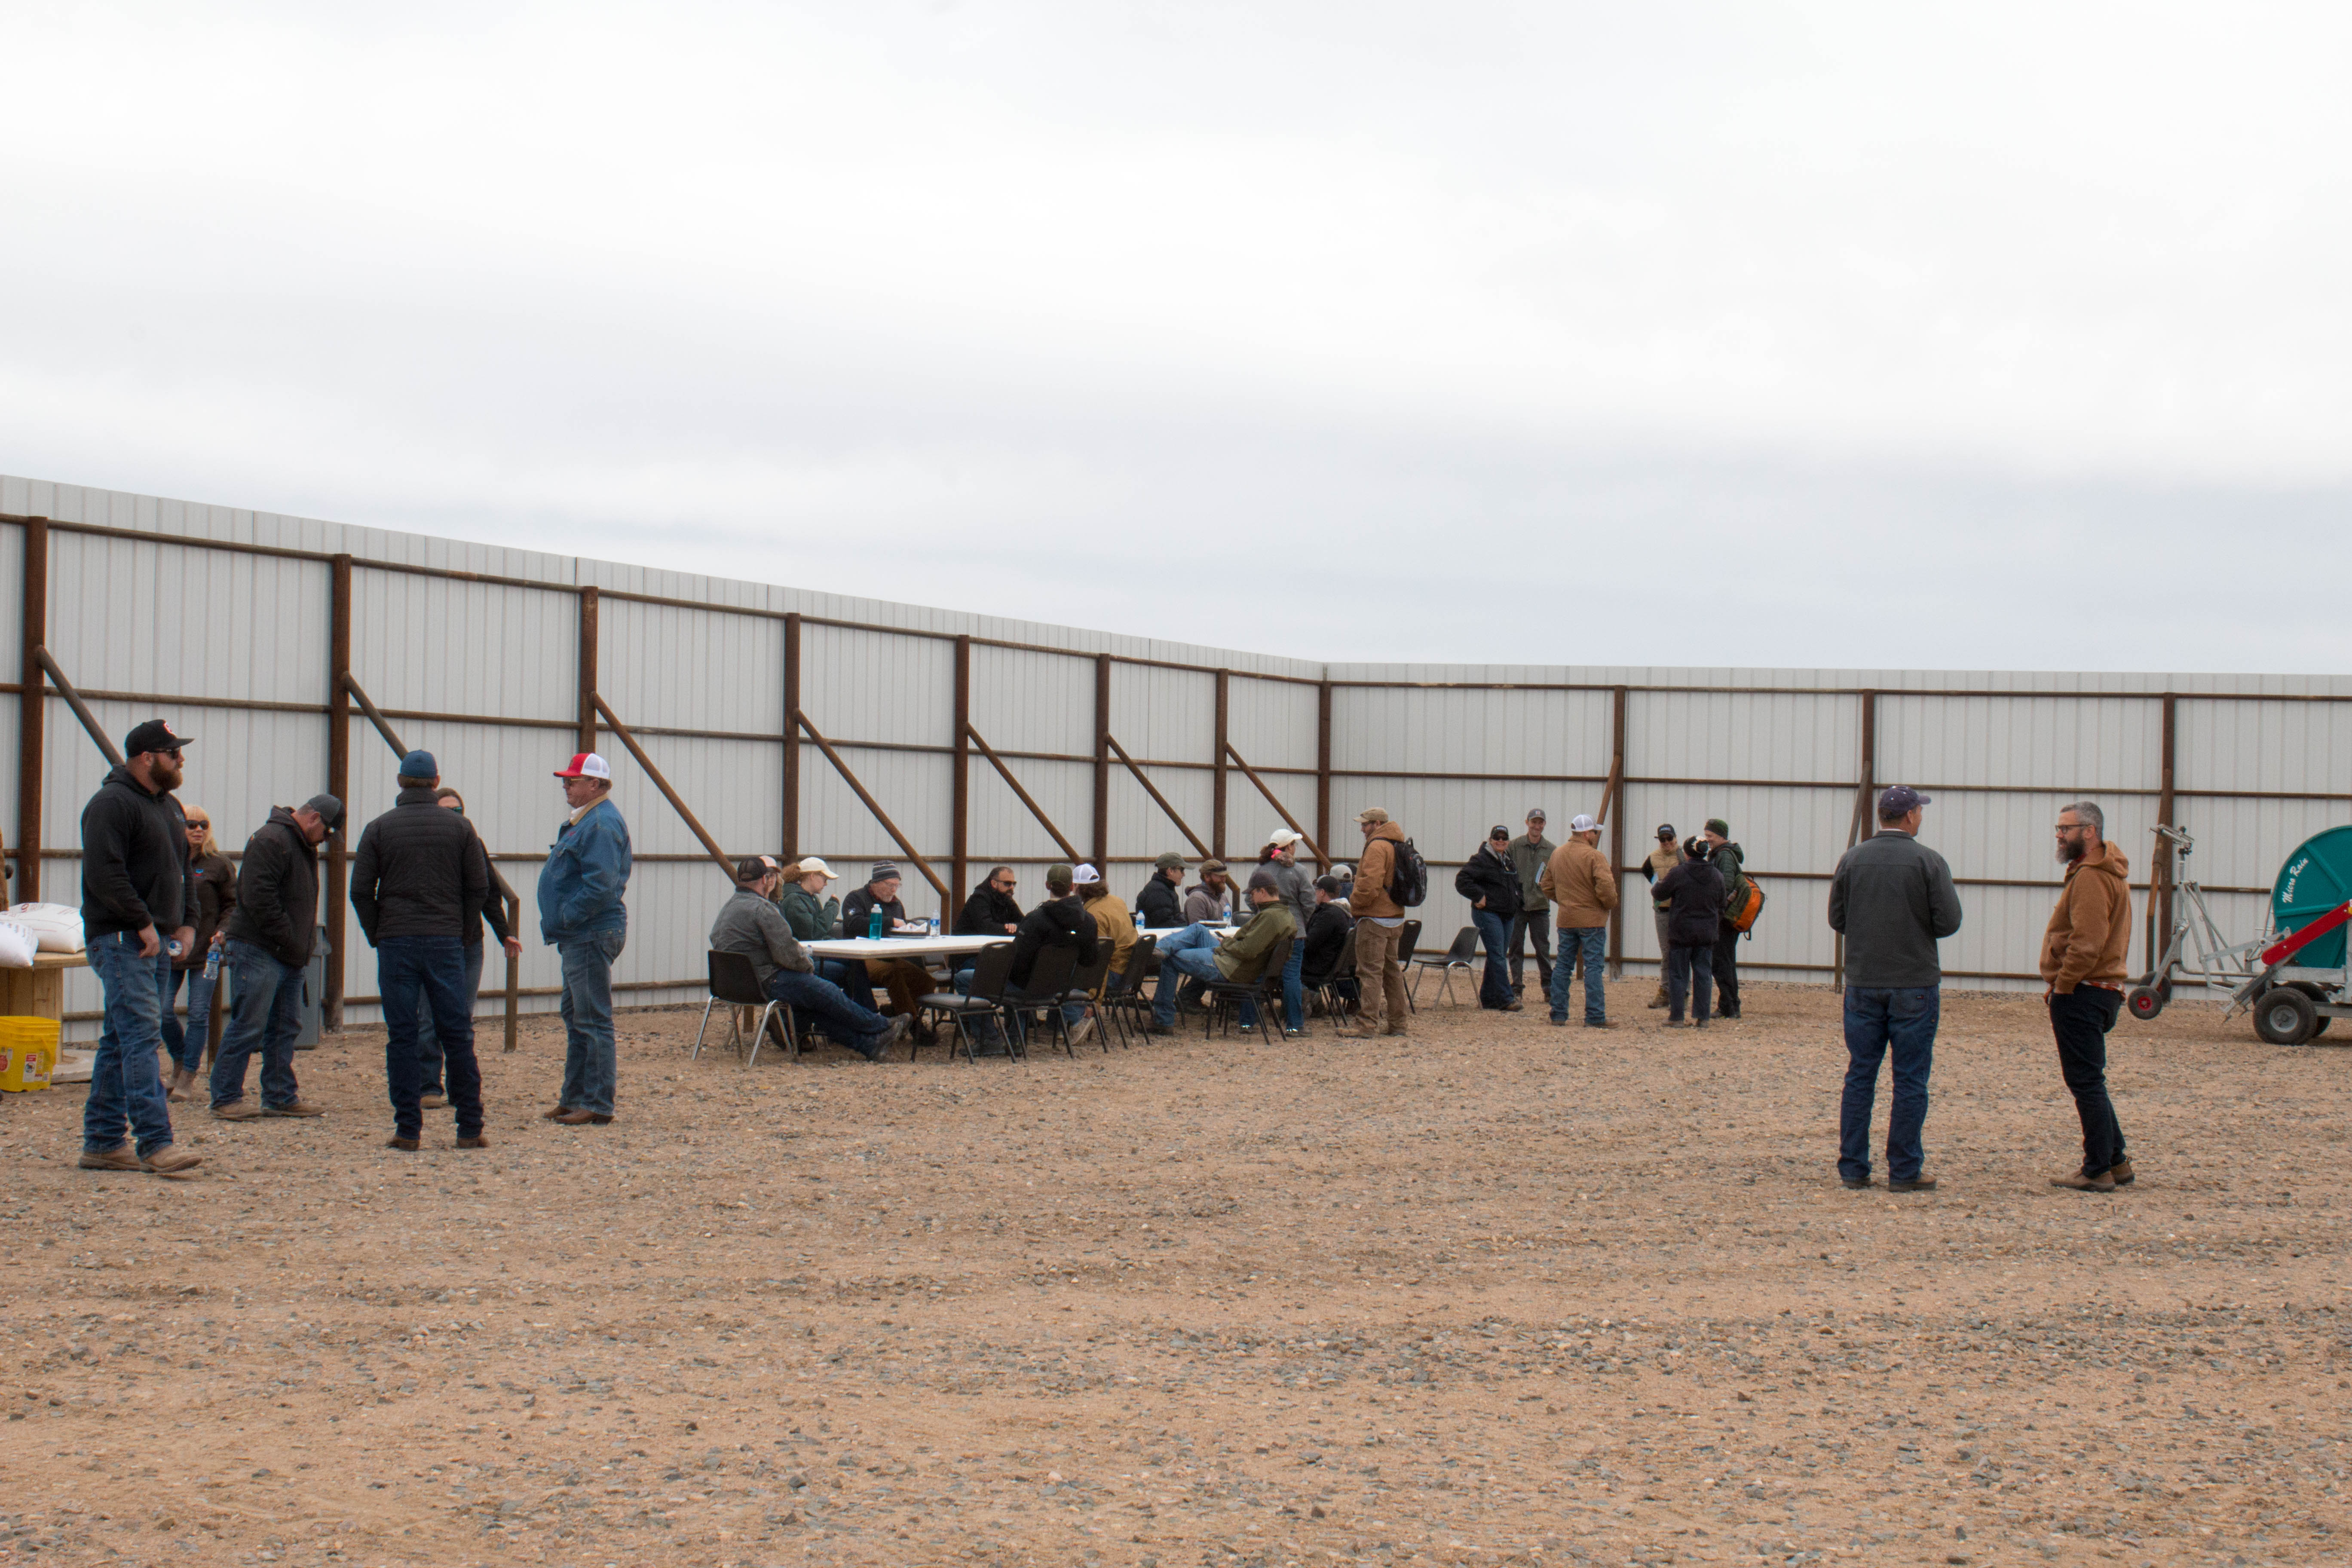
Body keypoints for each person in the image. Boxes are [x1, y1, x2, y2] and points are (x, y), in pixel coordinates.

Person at [75, 720, 205, 1177]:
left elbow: (183, 869)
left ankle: (104, 1142)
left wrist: (189, 923)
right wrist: (142, 922)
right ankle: (156, 1142)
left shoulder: (168, 807)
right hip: (121, 940)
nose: (181, 759)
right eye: (174, 753)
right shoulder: (111, 805)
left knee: (119, 1039)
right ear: (147, 757)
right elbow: (105, 874)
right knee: (142, 1035)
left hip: (154, 941)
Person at [1826, 784, 1963, 1193]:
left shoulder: (1852, 859)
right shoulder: (1928, 861)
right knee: (1909, 1080)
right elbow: (1949, 922)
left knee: (1860, 1076)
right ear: (1909, 817)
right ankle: (1904, 1170)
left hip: (1864, 982)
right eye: (1919, 811)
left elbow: (1837, 918)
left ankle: (1853, 1168)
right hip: (1913, 983)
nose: (1921, 816)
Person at [351, 751, 490, 1152]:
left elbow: (361, 891)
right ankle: (469, 1126)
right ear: (436, 782)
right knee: (457, 1033)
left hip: (397, 941)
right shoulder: (461, 829)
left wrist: (378, 932)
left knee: (402, 1035)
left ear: (399, 781)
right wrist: (461, 932)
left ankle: (408, 1128)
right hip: (445, 940)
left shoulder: (379, 829)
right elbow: (478, 888)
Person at [211, 793, 339, 1122]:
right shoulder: (272, 840)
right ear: (314, 819)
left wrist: (296, 944)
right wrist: (291, 938)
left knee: (284, 1026)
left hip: (285, 952)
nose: (325, 840)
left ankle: (280, 1096)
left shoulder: (295, 843)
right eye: (326, 832)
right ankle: (226, 1097)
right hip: (261, 949)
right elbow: (258, 898)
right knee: (249, 1023)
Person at [711, 858, 909, 1061]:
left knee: (811, 1005)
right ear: (765, 880)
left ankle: (870, 1045)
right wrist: (808, 968)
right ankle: (882, 1025)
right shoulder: (763, 909)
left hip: (734, 985)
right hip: (765, 980)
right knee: (825, 990)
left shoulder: (728, 909)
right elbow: (788, 952)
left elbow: (716, 939)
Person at [2042, 802, 2136, 1194]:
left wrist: (2063, 986)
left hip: (2085, 992)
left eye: (2066, 828)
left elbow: (2087, 942)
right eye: (2059, 828)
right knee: (2090, 1079)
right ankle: (2117, 1161)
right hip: (2099, 991)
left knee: (2085, 1082)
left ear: (2090, 832)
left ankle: (2096, 1169)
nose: (2060, 835)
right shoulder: (2099, 873)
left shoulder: (2092, 879)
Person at [411, 787, 524, 1111]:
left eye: (458, 811)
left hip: (469, 944)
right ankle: (429, 1085)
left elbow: (489, 893)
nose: (453, 817)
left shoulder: (472, 845)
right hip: (434, 943)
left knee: (461, 1017)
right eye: (446, 811)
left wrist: (505, 934)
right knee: (430, 1017)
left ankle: (463, 1087)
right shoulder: (424, 849)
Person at [537, 751, 632, 1127]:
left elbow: (602, 885)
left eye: (573, 780)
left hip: (589, 932)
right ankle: (575, 1096)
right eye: (566, 780)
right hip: (583, 932)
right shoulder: (590, 821)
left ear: (595, 785)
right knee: (578, 1015)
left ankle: (596, 1102)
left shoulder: (600, 825)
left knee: (591, 1018)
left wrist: (567, 916)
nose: (566, 786)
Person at [958, 864, 1099, 1053]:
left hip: (1027, 989)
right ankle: (1015, 1039)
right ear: (1072, 886)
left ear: (1048, 885)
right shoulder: (1088, 922)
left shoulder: (1036, 920)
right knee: (1020, 979)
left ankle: (989, 1040)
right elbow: (1090, 961)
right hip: (1062, 990)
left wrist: (999, 969)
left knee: (964, 978)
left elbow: (1017, 966)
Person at [1146, 867, 1295, 1035]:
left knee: (1171, 959)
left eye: (1252, 894)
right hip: (1234, 961)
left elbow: (1247, 950)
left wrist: (1225, 944)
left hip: (1231, 967)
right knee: (1198, 930)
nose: (1251, 898)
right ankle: (1160, 949)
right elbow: (1247, 946)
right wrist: (1227, 944)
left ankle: (1163, 1020)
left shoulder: (1270, 917)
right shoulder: (1283, 915)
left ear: (1262, 892)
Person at [159, 803, 235, 1102]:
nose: (198, 830)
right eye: (191, 824)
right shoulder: (167, 862)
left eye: (203, 825)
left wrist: (224, 931)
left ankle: (189, 1075)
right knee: (162, 1010)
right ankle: (180, 1059)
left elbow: (233, 904)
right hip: (172, 951)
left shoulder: (219, 865)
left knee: (199, 1012)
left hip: (208, 952)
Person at [1539, 813, 1619, 1028]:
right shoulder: (1595, 856)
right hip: (1592, 920)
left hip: (1566, 919)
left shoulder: (1557, 854)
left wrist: (1565, 901)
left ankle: (1558, 1014)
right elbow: (1607, 888)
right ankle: (1594, 1016)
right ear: (1586, 833)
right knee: (1593, 967)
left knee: (1563, 966)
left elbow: (1546, 886)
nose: (1595, 835)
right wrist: (1606, 905)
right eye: (1594, 831)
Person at [1342, 808, 1412, 1039]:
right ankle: (1398, 1024)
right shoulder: (1396, 844)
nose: (1362, 829)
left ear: (1378, 823)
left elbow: (1369, 885)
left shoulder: (1377, 847)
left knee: (1370, 972)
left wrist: (1355, 903)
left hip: (1374, 918)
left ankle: (1366, 1025)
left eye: (1366, 824)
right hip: (1395, 917)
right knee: (1392, 972)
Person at [841, 862, 932, 1025]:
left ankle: (894, 1012)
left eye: (897, 886)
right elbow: (853, 923)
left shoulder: (896, 904)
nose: (894, 890)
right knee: (893, 973)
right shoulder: (856, 898)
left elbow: (900, 927)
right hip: (862, 958)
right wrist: (890, 922)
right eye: (890, 885)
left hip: (890, 956)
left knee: (927, 981)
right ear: (876, 883)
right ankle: (913, 1023)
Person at [1650, 839, 1724, 1028]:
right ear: (1705, 852)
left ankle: (1676, 1017)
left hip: (1681, 932)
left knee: (1678, 974)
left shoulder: (1678, 873)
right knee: (1703, 974)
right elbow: (1722, 904)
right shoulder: (1717, 875)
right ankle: (1703, 1018)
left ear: (1688, 854)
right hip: (1706, 933)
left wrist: (1661, 881)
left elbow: (1659, 893)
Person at [1455, 826, 1524, 1011]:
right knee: (1498, 955)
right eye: (1497, 838)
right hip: (1488, 914)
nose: (1501, 841)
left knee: (1498, 955)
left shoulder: (1508, 861)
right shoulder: (1482, 860)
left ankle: (1488, 997)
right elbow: (1462, 880)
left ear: (1508, 840)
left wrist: (1519, 899)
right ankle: (1506, 998)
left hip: (1507, 915)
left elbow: (1516, 884)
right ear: (1490, 839)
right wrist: (1478, 896)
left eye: (1504, 838)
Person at [1258, 830, 1317, 1035]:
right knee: (1292, 977)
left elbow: (1251, 898)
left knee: (1257, 974)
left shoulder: (1261, 871)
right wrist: (1303, 921)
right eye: (1294, 845)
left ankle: (1247, 1022)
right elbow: (1309, 902)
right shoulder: (1299, 871)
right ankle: (1294, 1025)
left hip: (1266, 930)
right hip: (1294, 930)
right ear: (1289, 847)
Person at [1703, 818, 1749, 1021]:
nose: (1708, 840)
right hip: (1727, 917)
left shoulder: (1725, 857)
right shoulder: (1725, 855)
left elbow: (1726, 885)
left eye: (1710, 836)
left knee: (1721, 962)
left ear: (1721, 836)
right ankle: (1729, 1005)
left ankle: (1729, 1006)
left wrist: (1717, 910)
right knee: (1726, 961)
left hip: (1724, 919)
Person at [1507, 810, 1556, 998]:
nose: (1537, 826)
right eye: (1534, 822)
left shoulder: (1551, 850)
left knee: (1543, 949)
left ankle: (1548, 988)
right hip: (1518, 906)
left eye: (1540, 823)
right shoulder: (1515, 846)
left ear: (1544, 825)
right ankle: (1517, 987)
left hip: (1540, 907)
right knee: (1515, 948)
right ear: (1527, 823)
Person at [1639, 824, 1684, 1010]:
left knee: (1682, 952)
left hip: (1681, 911)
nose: (1667, 843)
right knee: (1667, 953)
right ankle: (1665, 992)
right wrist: (1657, 889)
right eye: (1663, 840)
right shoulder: (1653, 858)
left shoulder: (1683, 856)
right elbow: (1646, 871)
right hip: (1663, 912)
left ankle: (1683, 993)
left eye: (1669, 839)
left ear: (1675, 838)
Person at [1300, 874, 1359, 1013]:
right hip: (1328, 962)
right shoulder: (1339, 912)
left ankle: (1307, 998)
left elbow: (1310, 943)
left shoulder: (1329, 915)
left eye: (1316, 891)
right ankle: (1313, 1001)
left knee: (1284, 965)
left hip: (1318, 965)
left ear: (1322, 892)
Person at [1073, 864, 1135, 994]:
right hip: (1131, 972)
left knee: (1066, 976)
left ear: (1077, 887)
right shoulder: (1118, 902)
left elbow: (1100, 961)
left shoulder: (1092, 916)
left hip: (1114, 976)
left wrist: (1094, 999)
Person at [1136, 852, 1187, 929]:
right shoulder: (1158, 892)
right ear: (1171, 871)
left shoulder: (1164, 889)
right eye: (1182, 870)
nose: (1184, 874)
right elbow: (1166, 925)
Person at [1184, 860, 1237, 924]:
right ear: (1207, 877)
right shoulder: (1197, 899)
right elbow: (1199, 931)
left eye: (1225, 876)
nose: (1224, 879)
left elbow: (1230, 925)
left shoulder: (1223, 898)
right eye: (1220, 876)